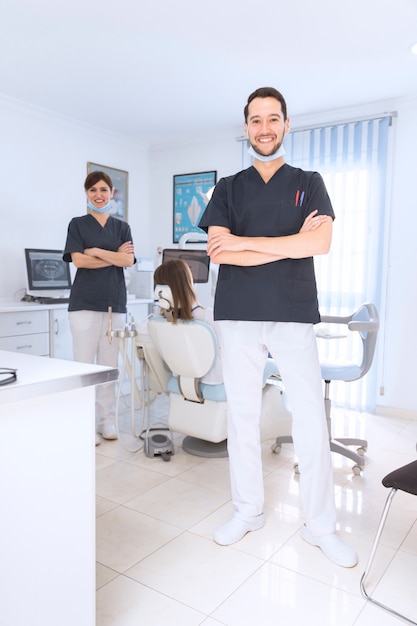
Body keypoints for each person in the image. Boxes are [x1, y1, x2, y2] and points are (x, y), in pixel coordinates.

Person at [198, 87, 358, 568]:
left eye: (273, 119)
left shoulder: (309, 181)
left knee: (309, 417)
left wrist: (251, 245)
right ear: (246, 127)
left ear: (287, 124)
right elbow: (219, 251)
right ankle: (247, 511)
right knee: (243, 416)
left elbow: (323, 243)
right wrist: (293, 241)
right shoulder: (226, 187)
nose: (264, 128)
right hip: (238, 312)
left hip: (291, 310)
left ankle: (321, 526)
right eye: (255, 120)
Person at [63, 171, 135, 444]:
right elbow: (79, 262)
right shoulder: (77, 224)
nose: (99, 194)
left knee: (107, 367)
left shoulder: (122, 227)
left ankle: (107, 421)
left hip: (114, 305)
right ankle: (83, 423)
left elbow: (128, 262)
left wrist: (97, 251)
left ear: (112, 192)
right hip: (84, 304)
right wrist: (115, 256)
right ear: (86, 194)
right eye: (93, 190)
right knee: (83, 367)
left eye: (103, 189)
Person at [154, 258, 222, 384]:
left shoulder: (158, 321)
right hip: (212, 381)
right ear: (187, 284)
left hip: (180, 379)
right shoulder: (210, 317)